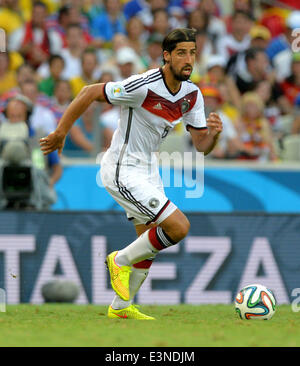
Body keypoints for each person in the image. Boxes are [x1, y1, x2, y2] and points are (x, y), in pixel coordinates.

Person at [40, 28, 223, 320]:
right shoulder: (143, 86)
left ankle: (121, 307)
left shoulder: (192, 94)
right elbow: (89, 92)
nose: (188, 60)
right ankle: (119, 260)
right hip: (121, 169)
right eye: (181, 53)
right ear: (166, 56)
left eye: (192, 53)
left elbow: (201, 145)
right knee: (178, 228)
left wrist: (213, 136)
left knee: (149, 244)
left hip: (149, 170)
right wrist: (61, 133)